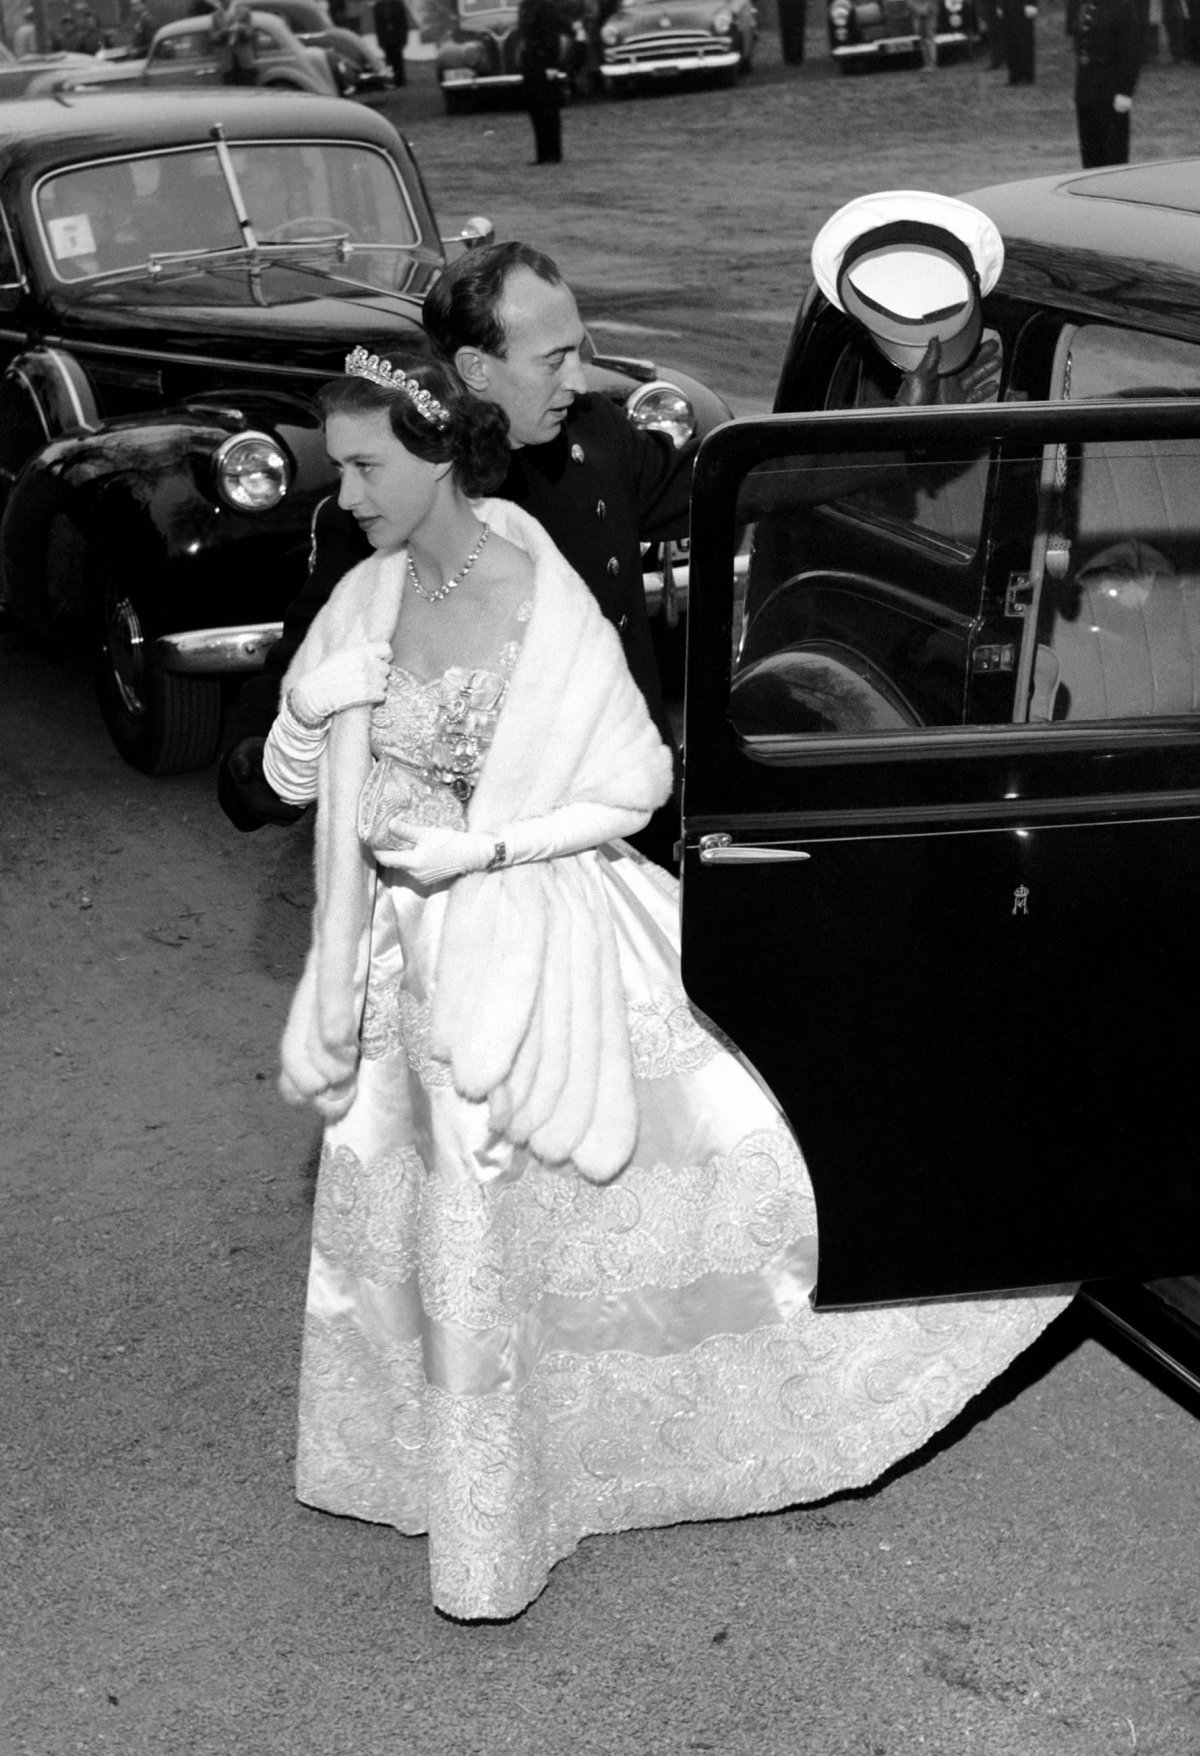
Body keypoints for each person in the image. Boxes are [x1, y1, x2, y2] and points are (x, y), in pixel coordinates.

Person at [261, 331, 1073, 1622]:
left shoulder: (536, 586)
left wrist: (486, 846)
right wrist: (313, 712)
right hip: (395, 964)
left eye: (363, 467)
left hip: (535, 942)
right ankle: (483, 1500)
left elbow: (632, 783)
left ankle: (558, 1495)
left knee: (705, 1172)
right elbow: (289, 784)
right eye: (340, 469)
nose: (345, 493)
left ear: (434, 458)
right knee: (447, 1239)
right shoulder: (361, 597)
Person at [218, 242, 693, 867]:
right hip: (486, 873)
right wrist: (259, 766)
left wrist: (841, 447)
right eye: (553, 361)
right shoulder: (401, 498)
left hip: (629, 831)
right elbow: (308, 657)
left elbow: (712, 488)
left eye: (579, 351)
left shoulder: (596, 434)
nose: (577, 379)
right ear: (474, 368)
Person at [1074, 0, 1141, 167]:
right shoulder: (1088, 6)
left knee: (1113, 153)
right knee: (1090, 151)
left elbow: (1131, 52)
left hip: (1109, 88)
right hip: (1088, 88)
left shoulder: (1122, 7)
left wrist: (1125, 92)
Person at [517, 0, 564, 165]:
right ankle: (542, 154)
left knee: (548, 108)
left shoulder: (545, 6)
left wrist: (552, 64)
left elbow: (552, 36)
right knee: (535, 108)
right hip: (530, 61)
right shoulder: (525, 6)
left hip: (544, 61)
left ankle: (553, 153)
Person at [210, 0, 257, 83]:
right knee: (231, 88)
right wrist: (223, 32)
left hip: (244, 59)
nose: (224, 2)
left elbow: (251, 33)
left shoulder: (244, 12)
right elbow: (213, 38)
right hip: (227, 61)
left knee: (248, 86)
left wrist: (240, 28)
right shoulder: (215, 16)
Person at [372, 0, 408, 83]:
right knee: (389, 59)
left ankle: (400, 79)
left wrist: (403, 39)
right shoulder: (378, 6)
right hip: (386, 38)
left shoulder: (398, 4)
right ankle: (392, 78)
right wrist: (380, 41)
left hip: (396, 37)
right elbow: (378, 25)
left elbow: (403, 22)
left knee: (398, 58)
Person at [1005, 0, 1037, 80]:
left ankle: (1027, 74)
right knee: (1011, 42)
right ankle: (1014, 75)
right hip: (1009, 9)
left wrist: (1031, 4)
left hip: (1024, 8)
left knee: (1025, 42)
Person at [909, 0, 937, 69]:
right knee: (923, 43)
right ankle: (927, 64)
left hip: (927, 19)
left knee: (929, 42)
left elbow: (928, 9)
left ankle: (932, 64)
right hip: (920, 19)